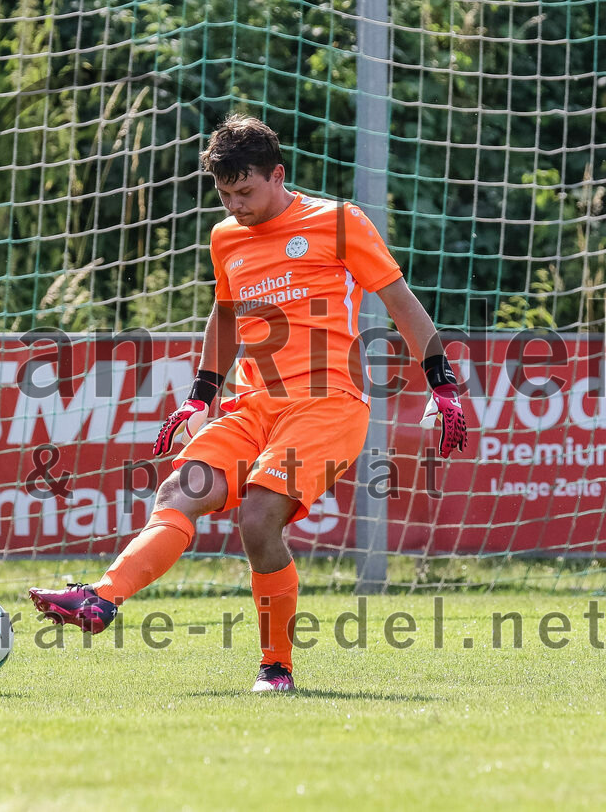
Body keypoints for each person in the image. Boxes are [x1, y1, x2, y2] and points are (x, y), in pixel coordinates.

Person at [29, 114, 467, 692]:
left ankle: (276, 667)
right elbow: (226, 316)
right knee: (178, 491)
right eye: (225, 194)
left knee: (258, 516)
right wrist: (197, 400)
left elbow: (401, 303)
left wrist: (442, 384)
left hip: (326, 404)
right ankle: (100, 599)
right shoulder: (225, 237)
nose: (236, 206)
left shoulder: (337, 223)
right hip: (251, 405)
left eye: (247, 191)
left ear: (277, 174)